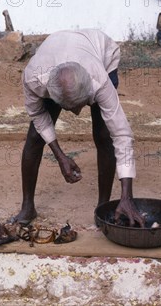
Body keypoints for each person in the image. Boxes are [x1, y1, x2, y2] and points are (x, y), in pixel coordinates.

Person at [11, 29, 145, 227]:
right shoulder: (34, 78)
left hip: (100, 51)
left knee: (103, 135)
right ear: (52, 95)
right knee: (34, 137)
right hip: (55, 51)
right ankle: (27, 207)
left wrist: (127, 196)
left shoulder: (99, 81)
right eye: (69, 108)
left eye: (80, 105)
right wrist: (60, 156)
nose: (75, 113)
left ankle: (104, 208)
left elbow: (121, 133)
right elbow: (38, 116)